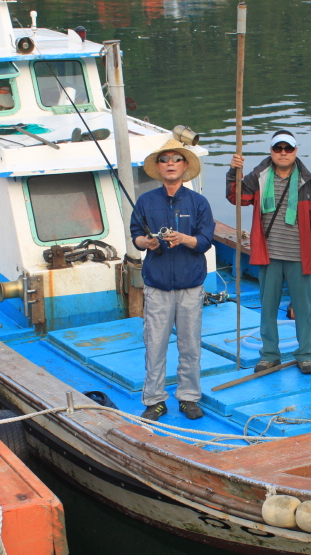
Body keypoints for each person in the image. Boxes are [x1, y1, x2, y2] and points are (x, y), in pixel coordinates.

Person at [130, 139, 216, 421]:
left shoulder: (198, 202)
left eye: (176, 159)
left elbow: (205, 241)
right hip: (157, 287)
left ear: (185, 165)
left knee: (190, 346)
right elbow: (136, 235)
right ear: (158, 167)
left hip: (191, 287)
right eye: (164, 159)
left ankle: (189, 397)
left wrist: (183, 239)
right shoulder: (145, 201)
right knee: (154, 345)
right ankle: (154, 400)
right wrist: (146, 242)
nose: (170, 163)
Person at [227, 130, 311, 374]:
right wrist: (233, 171)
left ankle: (305, 355)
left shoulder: (308, 181)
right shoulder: (259, 176)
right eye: (278, 148)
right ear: (271, 151)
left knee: (303, 309)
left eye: (288, 148)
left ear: (296, 151)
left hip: (299, 256)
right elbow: (237, 197)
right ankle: (269, 355)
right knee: (268, 308)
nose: (283, 153)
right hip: (268, 254)